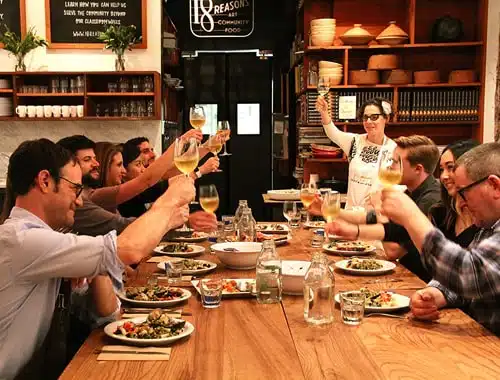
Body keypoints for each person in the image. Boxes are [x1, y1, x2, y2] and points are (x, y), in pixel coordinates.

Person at [0, 138, 194, 379]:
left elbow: (108, 312)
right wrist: (170, 200)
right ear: (45, 181)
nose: (80, 201)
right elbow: (131, 249)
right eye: (75, 188)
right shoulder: (21, 239)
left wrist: (93, 263)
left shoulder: (50, 238)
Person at [381, 142, 500, 335]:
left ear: (494, 185)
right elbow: (475, 284)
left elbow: (470, 274)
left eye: (463, 192)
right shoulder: (487, 225)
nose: (461, 202)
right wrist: (436, 293)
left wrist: (411, 216)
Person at [316, 96, 397, 208]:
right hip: (351, 212)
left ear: (386, 118)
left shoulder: (394, 149)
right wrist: (324, 112)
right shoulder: (355, 141)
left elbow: (398, 186)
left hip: (375, 215)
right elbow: (332, 133)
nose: (369, 121)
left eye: (374, 117)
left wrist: (382, 195)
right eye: (365, 117)